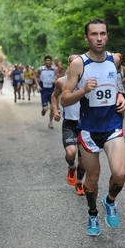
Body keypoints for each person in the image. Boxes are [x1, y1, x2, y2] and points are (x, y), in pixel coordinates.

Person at [61, 18, 125, 236]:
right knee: (93, 177)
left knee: (119, 174)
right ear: (86, 37)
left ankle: (109, 201)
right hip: (88, 129)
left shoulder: (114, 60)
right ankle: (92, 214)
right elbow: (64, 99)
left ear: (107, 35)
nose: (99, 38)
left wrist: (122, 96)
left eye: (103, 34)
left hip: (112, 126)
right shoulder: (79, 64)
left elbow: (116, 86)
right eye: (94, 34)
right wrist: (82, 91)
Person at [52, 53, 86, 196]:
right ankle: (71, 167)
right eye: (72, 62)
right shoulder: (61, 81)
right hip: (70, 123)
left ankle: (79, 183)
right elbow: (54, 96)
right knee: (71, 153)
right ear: (69, 65)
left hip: (86, 125)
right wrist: (55, 110)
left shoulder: (88, 81)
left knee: (83, 161)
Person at [35, 55, 58, 129]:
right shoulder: (40, 69)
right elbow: (35, 77)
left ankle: (50, 123)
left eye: (49, 60)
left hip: (52, 91)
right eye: (46, 61)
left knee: (52, 108)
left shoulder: (55, 69)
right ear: (44, 62)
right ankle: (43, 110)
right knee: (46, 108)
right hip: (44, 91)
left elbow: (60, 77)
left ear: (51, 61)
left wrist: (56, 80)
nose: (48, 62)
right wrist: (38, 85)